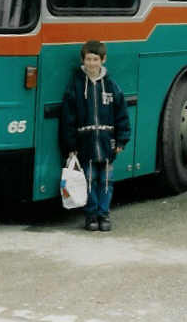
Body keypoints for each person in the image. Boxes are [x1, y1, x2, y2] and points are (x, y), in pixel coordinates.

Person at [60, 40, 131, 232]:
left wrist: (122, 139)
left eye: (95, 59)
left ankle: (104, 214)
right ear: (83, 61)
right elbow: (68, 117)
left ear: (103, 60)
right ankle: (91, 215)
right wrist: (70, 144)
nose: (92, 64)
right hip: (86, 143)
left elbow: (121, 114)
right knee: (89, 180)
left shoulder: (111, 86)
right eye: (88, 59)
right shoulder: (75, 85)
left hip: (108, 142)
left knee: (106, 181)